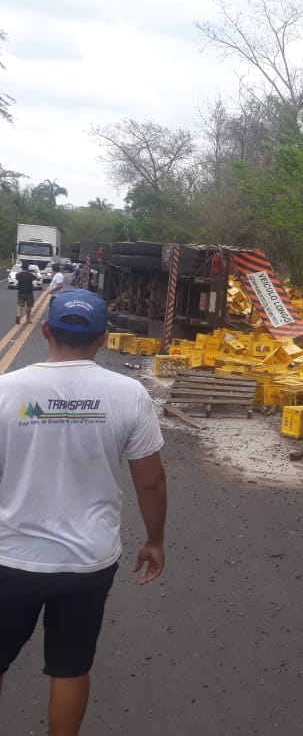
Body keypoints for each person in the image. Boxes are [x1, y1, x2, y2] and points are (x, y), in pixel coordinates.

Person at [0, 290, 167, 736]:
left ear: (46, 329)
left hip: (11, 558)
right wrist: (154, 540)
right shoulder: (128, 394)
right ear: (103, 339)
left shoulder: (5, 390)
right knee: (70, 667)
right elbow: (150, 480)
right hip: (87, 561)